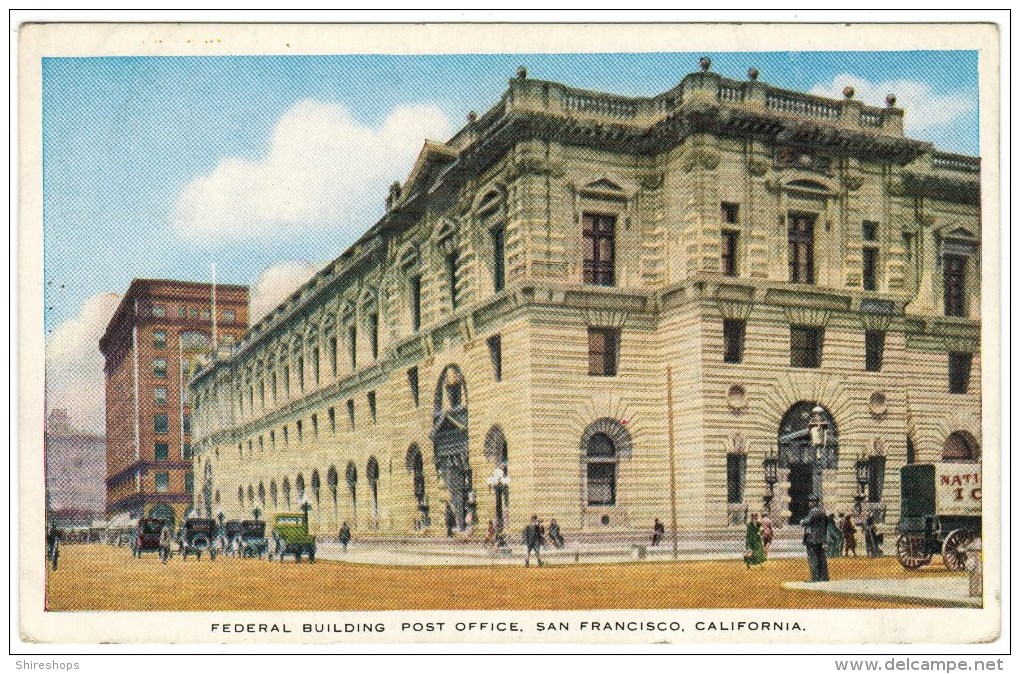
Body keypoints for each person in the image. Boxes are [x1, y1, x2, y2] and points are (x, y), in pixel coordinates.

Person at [801, 496, 829, 582]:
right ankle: (824, 577)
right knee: (821, 558)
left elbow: (807, 521)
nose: (809, 503)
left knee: (813, 558)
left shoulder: (813, 512)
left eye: (810, 501)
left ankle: (815, 578)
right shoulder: (822, 511)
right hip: (821, 538)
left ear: (814, 502)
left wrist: (802, 521)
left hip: (812, 538)